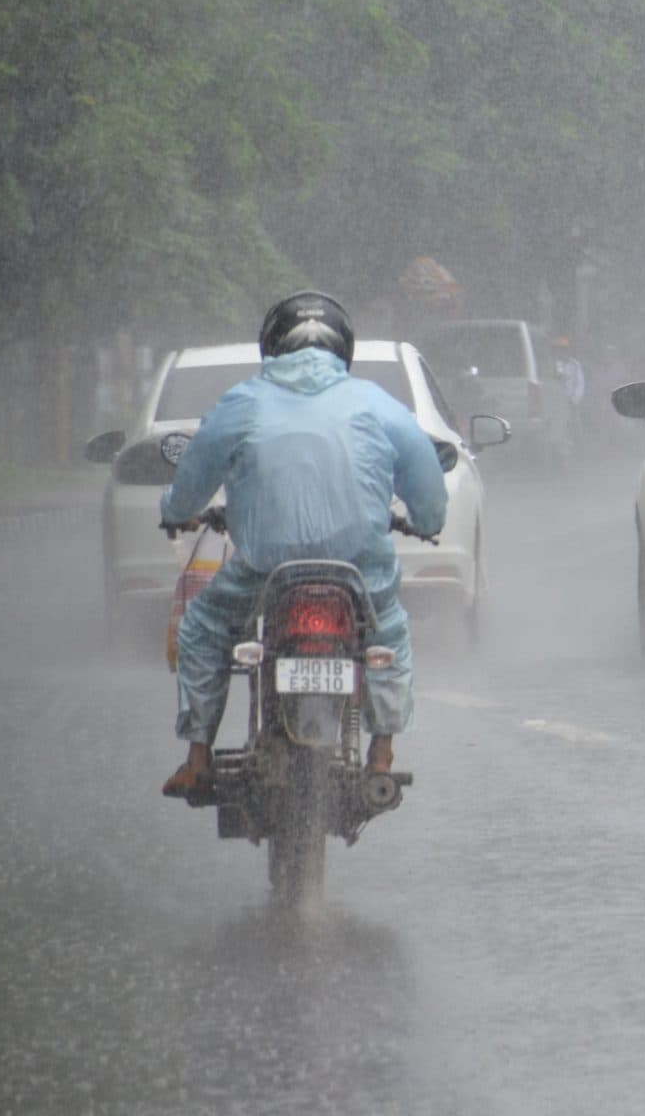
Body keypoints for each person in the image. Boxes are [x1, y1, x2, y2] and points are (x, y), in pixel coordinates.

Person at [158, 291, 447, 798]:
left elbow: (194, 475)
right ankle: (381, 754)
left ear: (271, 346)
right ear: (343, 349)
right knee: (388, 638)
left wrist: (176, 513)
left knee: (203, 630)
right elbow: (426, 485)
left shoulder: (241, 401)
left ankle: (198, 756)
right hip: (358, 568)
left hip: (266, 569)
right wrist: (425, 520)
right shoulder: (377, 403)